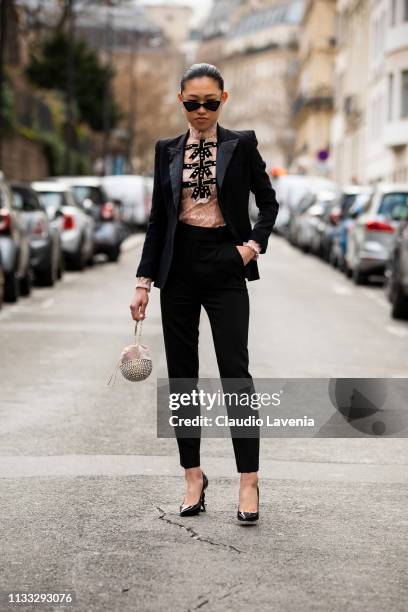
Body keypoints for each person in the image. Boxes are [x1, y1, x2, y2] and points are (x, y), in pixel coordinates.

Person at [130, 63, 279, 524]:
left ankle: (248, 480)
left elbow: (268, 201)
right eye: (192, 103)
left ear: (223, 100)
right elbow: (159, 220)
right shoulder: (166, 150)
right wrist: (143, 281)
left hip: (225, 262)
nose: (201, 111)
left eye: (210, 102)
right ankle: (193, 475)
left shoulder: (242, 144)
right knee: (182, 379)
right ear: (181, 102)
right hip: (179, 267)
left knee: (236, 372)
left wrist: (251, 247)